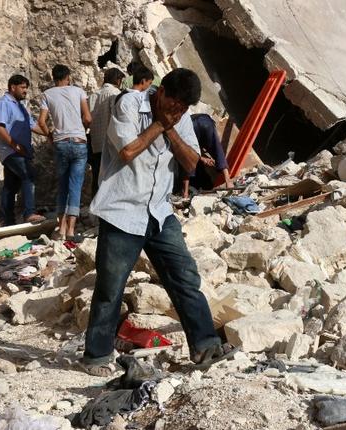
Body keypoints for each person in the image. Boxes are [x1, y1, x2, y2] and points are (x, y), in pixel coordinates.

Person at [82, 68, 235, 376]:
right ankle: (96, 356)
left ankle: (206, 346)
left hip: (159, 212)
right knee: (111, 287)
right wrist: (159, 125)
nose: (175, 112)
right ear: (161, 92)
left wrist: (172, 129)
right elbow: (127, 151)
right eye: (172, 105)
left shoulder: (179, 118)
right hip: (122, 211)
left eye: (182, 110)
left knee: (185, 278)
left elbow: (191, 163)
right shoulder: (128, 104)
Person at [38, 64, 92, 242]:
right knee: (75, 186)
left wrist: (50, 136)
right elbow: (87, 118)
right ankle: (71, 230)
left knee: (62, 186)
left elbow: (41, 121)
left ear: (54, 77)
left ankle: (61, 227)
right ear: (68, 76)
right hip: (79, 143)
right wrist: (81, 130)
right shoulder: (78, 91)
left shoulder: (47, 94)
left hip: (61, 143)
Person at [0, 75, 47, 225]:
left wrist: (50, 134)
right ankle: (29, 213)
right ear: (12, 87)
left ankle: (7, 220)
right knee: (29, 176)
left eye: (26, 88)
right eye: (22, 88)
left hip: (20, 151)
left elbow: (32, 125)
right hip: (10, 150)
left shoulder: (20, 106)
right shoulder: (4, 103)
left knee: (11, 185)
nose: (25, 91)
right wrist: (14, 145)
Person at [87, 67, 124, 196]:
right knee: (111, 178)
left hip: (95, 144)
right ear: (118, 80)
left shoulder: (93, 96)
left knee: (97, 176)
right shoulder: (115, 94)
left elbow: (87, 119)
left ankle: (94, 208)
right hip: (111, 144)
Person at [181, 113, 233, 197]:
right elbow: (217, 150)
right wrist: (202, 159)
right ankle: (228, 181)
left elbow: (187, 154)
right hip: (206, 121)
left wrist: (201, 158)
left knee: (188, 160)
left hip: (192, 126)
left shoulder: (180, 130)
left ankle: (185, 193)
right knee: (217, 148)